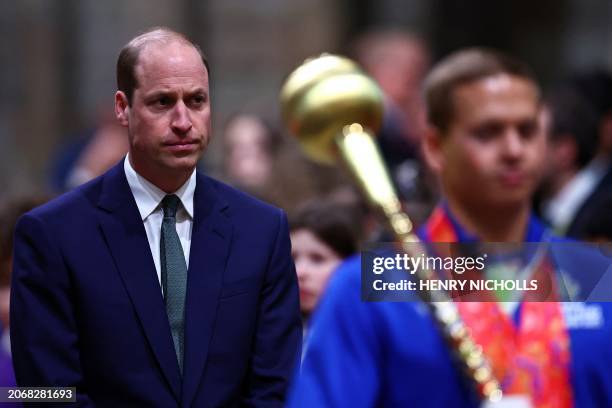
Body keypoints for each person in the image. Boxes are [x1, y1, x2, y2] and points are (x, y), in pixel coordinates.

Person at [288, 48, 612, 407]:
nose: (513, 149)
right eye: (487, 133)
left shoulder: (595, 272)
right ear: (434, 147)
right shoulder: (373, 282)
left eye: (527, 130)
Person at [11, 27, 301, 407]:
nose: (183, 121)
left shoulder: (263, 230)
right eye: (163, 102)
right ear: (122, 107)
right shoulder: (51, 234)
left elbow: (275, 387)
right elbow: (44, 395)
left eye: (196, 100)